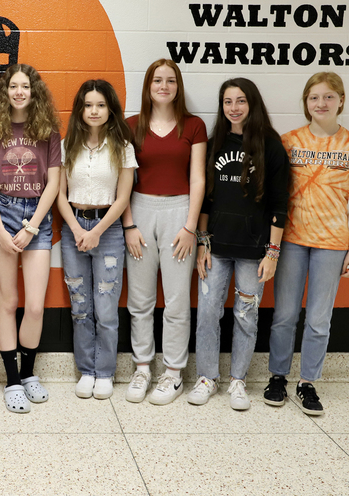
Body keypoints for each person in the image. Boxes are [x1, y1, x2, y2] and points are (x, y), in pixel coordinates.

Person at [264, 72, 349, 416]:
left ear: (341, 101)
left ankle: (307, 382)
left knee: (318, 318)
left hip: (332, 243)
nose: (321, 103)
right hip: (292, 241)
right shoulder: (289, 141)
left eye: (329, 96)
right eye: (314, 97)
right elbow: (274, 195)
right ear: (306, 102)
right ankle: (278, 377)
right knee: (285, 315)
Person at [187, 78, 289, 411]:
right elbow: (205, 200)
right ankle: (207, 378)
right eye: (228, 101)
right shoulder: (214, 144)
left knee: (246, 316)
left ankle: (238, 380)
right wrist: (202, 243)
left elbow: (280, 204)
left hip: (253, 251)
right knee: (207, 314)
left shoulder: (271, 147)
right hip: (215, 248)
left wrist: (273, 252)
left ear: (252, 103)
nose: (234, 107)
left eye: (241, 100)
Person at [122, 59, 207, 405]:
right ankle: (142, 367)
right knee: (140, 299)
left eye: (170, 81)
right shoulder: (131, 126)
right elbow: (123, 181)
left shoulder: (194, 126)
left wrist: (190, 227)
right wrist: (128, 224)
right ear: (148, 86)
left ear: (178, 86)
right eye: (157, 80)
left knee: (176, 299)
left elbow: (198, 178)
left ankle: (173, 373)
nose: (164, 86)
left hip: (179, 212)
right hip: (140, 211)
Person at [0, 64, 61, 413]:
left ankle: (28, 373)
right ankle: (12, 380)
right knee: (8, 301)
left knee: (35, 305)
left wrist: (31, 228)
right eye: (13, 86)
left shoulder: (48, 130)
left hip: (37, 217)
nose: (19, 92)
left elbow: (54, 183)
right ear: (5, 91)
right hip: (3, 211)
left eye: (25, 86)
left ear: (33, 91)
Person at [57, 79, 136, 400]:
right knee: (80, 305)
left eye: (101, 105)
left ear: (110, 109)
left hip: (109, 231)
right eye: (88, 105)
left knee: (105, 308)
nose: (94, 111)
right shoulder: (67, 145)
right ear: (80, 109)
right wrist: (78, 230)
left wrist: (96, 231)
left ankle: (104, 372)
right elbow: (59, 194)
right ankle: (86, 370)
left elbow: (123, 197)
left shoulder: (122, 147)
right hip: (73, 228)